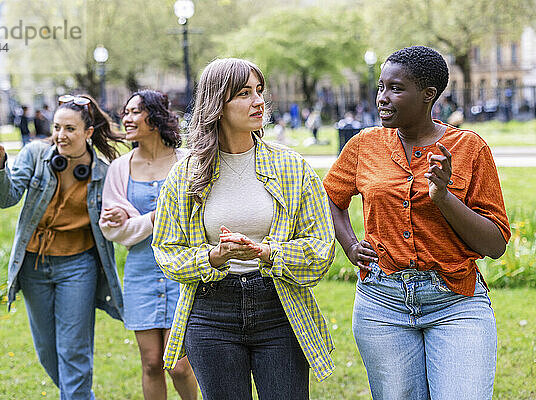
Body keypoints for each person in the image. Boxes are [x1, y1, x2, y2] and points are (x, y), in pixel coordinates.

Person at [323, 46, 511, 400]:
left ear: (428, 95)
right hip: (382, 303)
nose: (383, 98)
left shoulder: (469, 148)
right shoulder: (364, 144)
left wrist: (443, 197)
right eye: (380, 87)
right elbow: (331, 198)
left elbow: (495, 244)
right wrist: (349, 244)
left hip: (455, 302)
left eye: (395, 88)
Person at [151, 58, 336, 400]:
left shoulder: (292, 168)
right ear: (218, 104)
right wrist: (213, 257)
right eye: (244, 93)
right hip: (211, 314)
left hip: (279, 308)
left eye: (260, 91)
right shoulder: (185, 175)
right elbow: (166, 250)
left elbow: (321, 248)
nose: (258, 101)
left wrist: (269, 253)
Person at [0, 94, 124, 399]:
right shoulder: (36, 154)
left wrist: (118, 216)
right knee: (48, 351)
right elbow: (6, 198)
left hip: (78, 267)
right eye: (57, 127)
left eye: (70, 129)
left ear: (88, 133)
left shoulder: (103, 172)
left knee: (73, 351)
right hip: (34, 266)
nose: (60, 135)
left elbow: (119, 221)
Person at [99, 90, 198, 400]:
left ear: (154, 118)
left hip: (182, 273)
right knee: (152, 363)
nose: (125, 119)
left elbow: (195, 218)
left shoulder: (187, 161)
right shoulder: (120, 168)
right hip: (141, 274)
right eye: (124, 112)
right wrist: (158, 217)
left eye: (134, 112)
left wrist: (135, 218)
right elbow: (114, 232)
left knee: (179, 365)